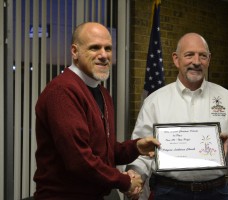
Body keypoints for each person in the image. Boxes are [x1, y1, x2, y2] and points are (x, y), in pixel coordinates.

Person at [33, 22, 160, 200]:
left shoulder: (101, 92)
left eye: (108, 48)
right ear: (74, 51)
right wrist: (124, 181)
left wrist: (136, 147)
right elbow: (79, 159)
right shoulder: (62, 91)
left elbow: (102, 152)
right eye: (95, 48)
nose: (104, 55)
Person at [126, 33, 228, 200]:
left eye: (202, 56)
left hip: (216, 193)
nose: (196, 62)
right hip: (168, 193)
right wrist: (135, 175)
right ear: (176, 59)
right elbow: (142, 152)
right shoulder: (155, 101)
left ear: (209, 60)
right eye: (189, 55)